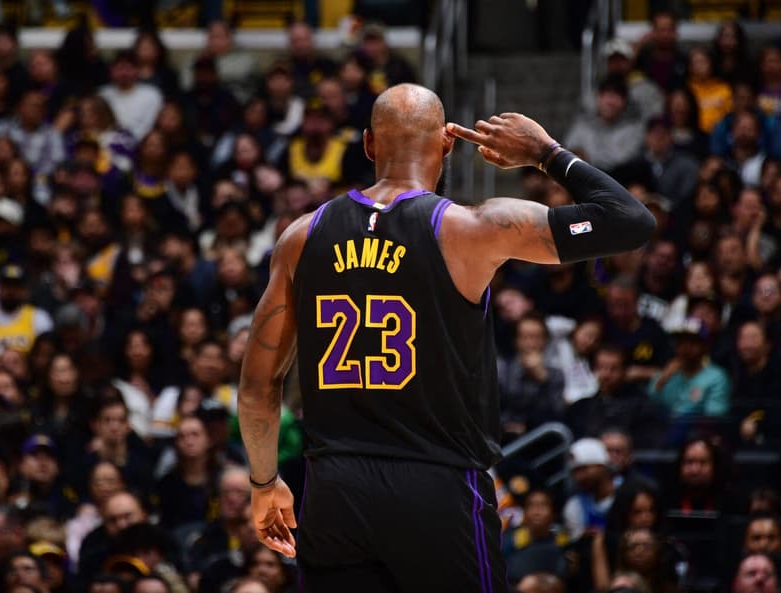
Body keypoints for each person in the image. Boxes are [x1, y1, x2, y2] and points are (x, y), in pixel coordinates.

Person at [239, 83, 655, 592]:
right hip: (437, 486)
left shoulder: (301, 237)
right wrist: (547, 155)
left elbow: (259, 385)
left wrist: (263, 484)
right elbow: (630, 221)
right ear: (448, 144)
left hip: (335, 489)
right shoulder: (471, 228)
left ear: (369, 145)